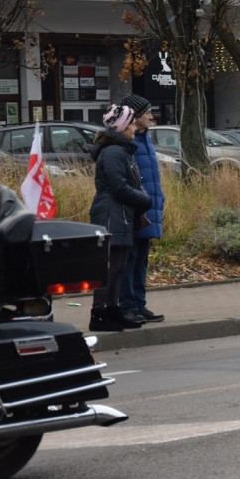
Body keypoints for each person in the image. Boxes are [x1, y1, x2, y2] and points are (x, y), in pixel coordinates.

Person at [88, 105, 153, 332]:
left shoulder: (121, 150)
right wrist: (144, 199)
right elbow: (119, 187)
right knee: (110, 267)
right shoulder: (115, 151)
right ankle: (99, 314)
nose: (135, 128)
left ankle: (113, 311)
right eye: (132, 124)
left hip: (120, 213)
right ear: (123, 126)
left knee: (119, 265)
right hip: (111, 214)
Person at [119, 94, 165, 324]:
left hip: (147, 209)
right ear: (134, 116)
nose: (151, 116)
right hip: (135, 210)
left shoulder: (145, 138)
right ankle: (127, 306)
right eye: (147, 112)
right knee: (130, 259)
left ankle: (139, 304)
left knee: (141, 260)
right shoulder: (127, 140)